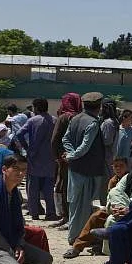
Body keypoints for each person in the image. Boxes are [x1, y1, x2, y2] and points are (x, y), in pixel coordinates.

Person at [62, 92, 108, 247]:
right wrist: (73, 155)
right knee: (86, 205)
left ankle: (75, 236)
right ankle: (79, 237)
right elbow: (85, 148)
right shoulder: (93, 123)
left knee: (76, 203)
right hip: (89, 170)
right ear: (99, 106)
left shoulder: (75, 119)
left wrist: (69, 154)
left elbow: (65, 139)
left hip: (75, 169)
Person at [12, 97, 57, 221]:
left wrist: (26, 148)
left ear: (36, 107)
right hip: (50, 158)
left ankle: (34, 212)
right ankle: (50, 212)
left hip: (34, 157)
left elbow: (19, 134)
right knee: (48, 188)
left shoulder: (32, 121)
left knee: (33, 187)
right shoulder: (54, 120)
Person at [51, 92, 82, 227]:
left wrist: (57, 157)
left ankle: (66, 216)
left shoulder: (64, 117)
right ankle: (71, 217)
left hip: (65, 159)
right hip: (80, 158)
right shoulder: (82, 117)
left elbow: (55, 139)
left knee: (64, 187)